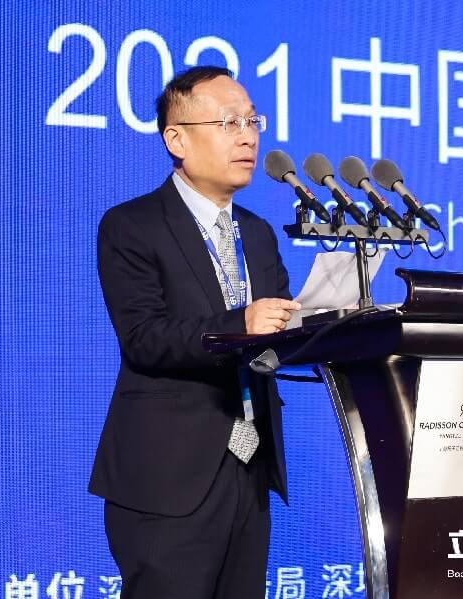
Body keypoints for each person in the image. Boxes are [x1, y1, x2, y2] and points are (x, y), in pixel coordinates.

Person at [89, 66, 301, 599]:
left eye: (252, 121)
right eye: (229, 123)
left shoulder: (258, 233)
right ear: (176, 139)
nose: (248, 137)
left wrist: (325, 324)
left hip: (249, 467)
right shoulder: (132, 226)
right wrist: (240, 323)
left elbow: (278, 334)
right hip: (167, 478)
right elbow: (144, 338)